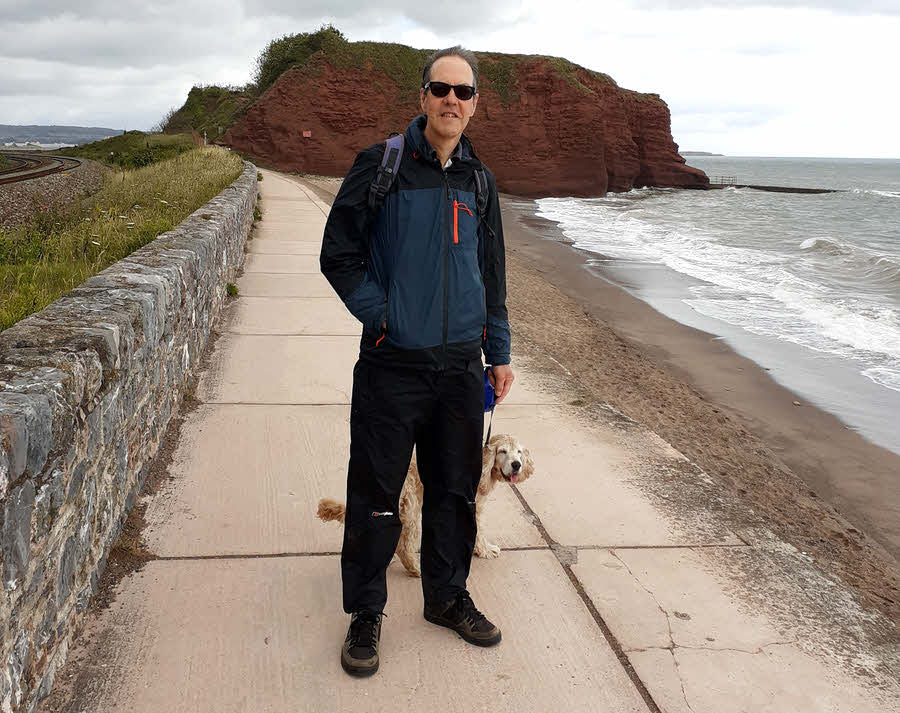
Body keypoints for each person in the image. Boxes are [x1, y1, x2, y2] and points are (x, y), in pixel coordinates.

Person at [320, 46, 514, 677]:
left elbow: (493, 274)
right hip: (391, 365)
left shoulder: (479, 181)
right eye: (440, 89)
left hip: (460, 367)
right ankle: (366, 613)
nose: (451, 101)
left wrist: (499, 352)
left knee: (455, 492)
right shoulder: (381, 165)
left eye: (463, 92)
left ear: (475, 104)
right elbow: (339, 255)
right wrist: (383, 316)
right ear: (422, 97)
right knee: (377, 494)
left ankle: (447, 598)